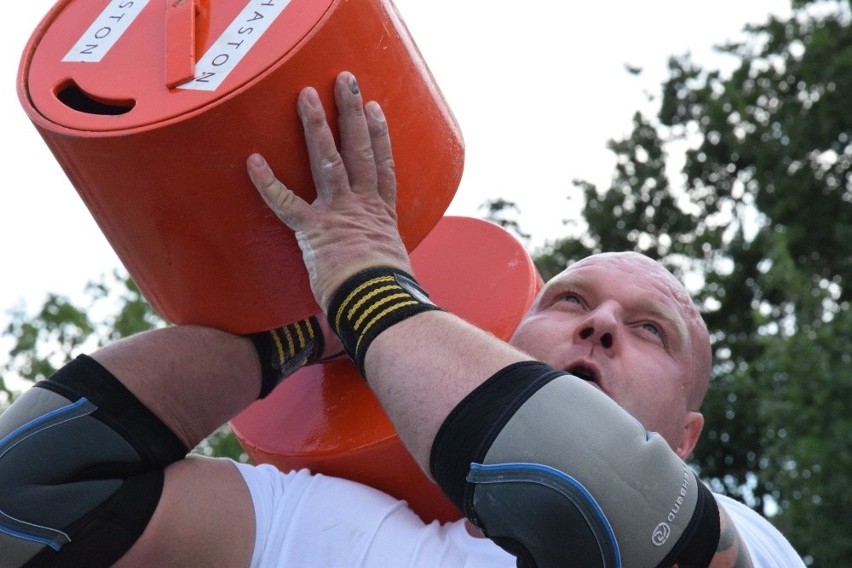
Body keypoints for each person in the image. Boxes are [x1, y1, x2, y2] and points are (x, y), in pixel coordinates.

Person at [0, 72, 804, 567]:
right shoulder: (345, 532)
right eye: (568, 300)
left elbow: (604, 510)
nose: (598, 325)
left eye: (649, 329)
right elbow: (29, 502)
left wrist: (368, 283)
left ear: (687, 439)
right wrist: (301, 327)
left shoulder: (745, 538)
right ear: (498, 345)